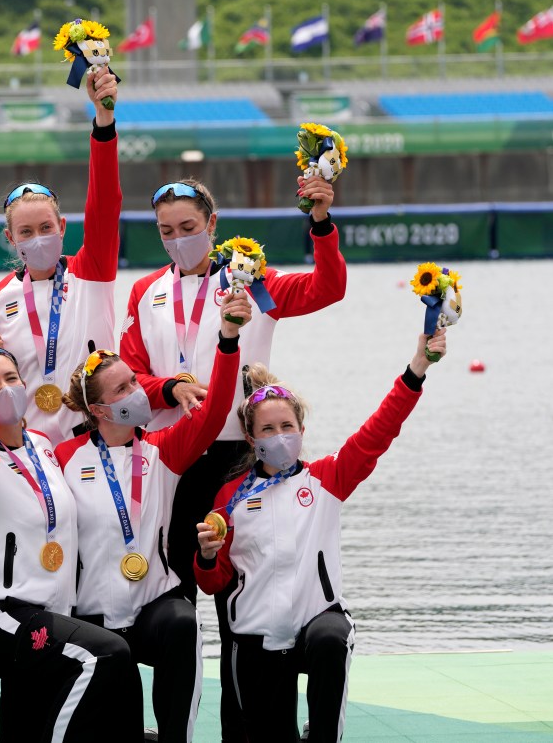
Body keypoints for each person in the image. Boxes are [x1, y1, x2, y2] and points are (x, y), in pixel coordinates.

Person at [118, 175, 346, 740]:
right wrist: (168, 389)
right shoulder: (146, 292)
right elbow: (129, 379)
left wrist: (319, 221)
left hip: (242, 462)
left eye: (189, 228)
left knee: (241, 606)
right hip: (173, 462)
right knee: (174, 606)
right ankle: (166, 729)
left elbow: (327, 289)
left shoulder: (250, 282)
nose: (178, 240)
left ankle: (244, 733)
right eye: (166, 231)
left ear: (212, 226)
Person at [194, 329, 449, 742]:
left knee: (332, 639)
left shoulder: (328, 478)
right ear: (250, 438)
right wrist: (206, 556)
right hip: (257, 638)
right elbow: (213, 583)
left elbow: (379, 430)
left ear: (302, 429)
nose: (280, 436)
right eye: (268, 429)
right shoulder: (229, 499)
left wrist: (417, 368)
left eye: (287, 426)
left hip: (316, 624)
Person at [0, 281, 144, 742]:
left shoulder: (46, 448)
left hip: (51, 610)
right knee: (106, 655)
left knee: (29, 723)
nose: (6, 389)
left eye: (11, 378)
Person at [55, 290, 251, 743]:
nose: (137, 391)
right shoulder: (62, 457)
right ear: (99, 410)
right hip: (93, 617)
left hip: (153, 606)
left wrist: (227, 338)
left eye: (133, 382)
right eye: (122, 389)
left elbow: (216, 408)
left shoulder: (164, 450)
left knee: (184, 623)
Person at [0, 67, 121, 447]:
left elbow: (106, 203)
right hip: (29, 447)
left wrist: (103, 121)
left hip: (93, 440)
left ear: (62, 226)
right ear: (10, 238)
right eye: (26, 232)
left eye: (46, 228)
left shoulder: (92, 271)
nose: (38, 238)